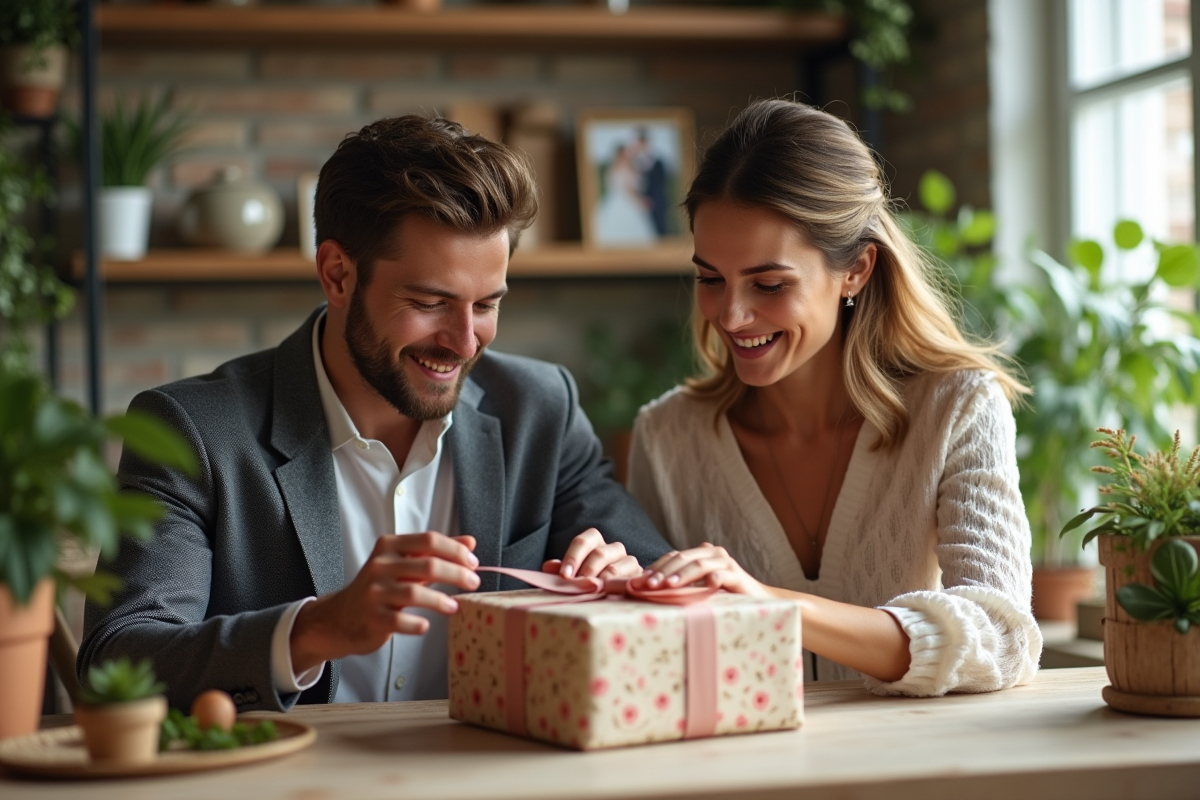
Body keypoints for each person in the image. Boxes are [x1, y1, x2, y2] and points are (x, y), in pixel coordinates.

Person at [80, 116, 671, 712]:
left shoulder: (540, 409)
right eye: (429, 303)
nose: (465, 342)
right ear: (338, 274)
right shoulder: (190, 430)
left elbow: (659, 583)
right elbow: (119, 660)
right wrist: (316, 630)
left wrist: (626, 585)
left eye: (487, 304)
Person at [627, 99, 1042, 696]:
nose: (732, 315)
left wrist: (772, 604)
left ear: (856, 270)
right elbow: (655, 660)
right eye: (710, 278)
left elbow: (1002, 638)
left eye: (769, 284)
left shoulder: (957, 408)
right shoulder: (667, 438)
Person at [594, 144, 657, 246]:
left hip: (617, 201)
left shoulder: (614, 169)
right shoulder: (624, 168)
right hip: (624, 201)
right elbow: (627, 190)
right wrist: (640, 201)